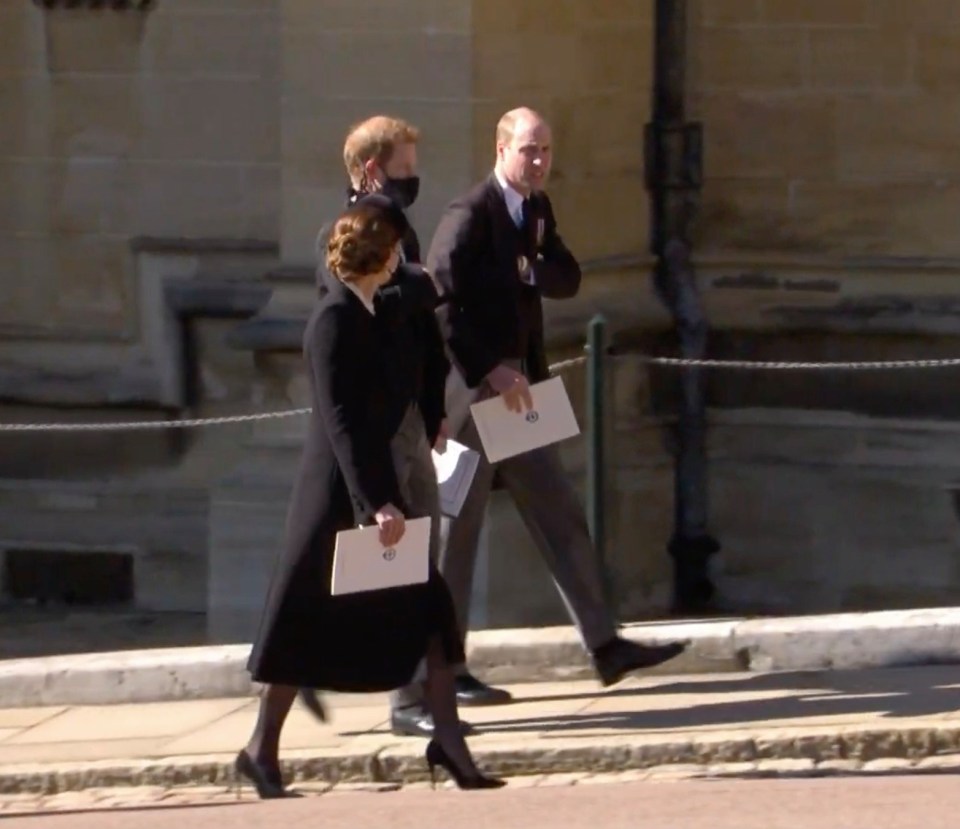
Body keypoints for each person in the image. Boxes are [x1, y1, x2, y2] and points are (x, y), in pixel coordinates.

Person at [238, 203, 505, 797]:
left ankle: (450, 745)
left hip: (373, 490)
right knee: (299, 628)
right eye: (396, 251)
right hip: (339, 499)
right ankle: (262, 750)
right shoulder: (332, 321)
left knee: (432, 613)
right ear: (380, 257)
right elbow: (342, 426)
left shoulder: (375, 309)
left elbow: (420, 311)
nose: (403, 259)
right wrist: (378, 504)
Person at [425, 107, 689, 692]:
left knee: (558, 511)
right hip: (474, 389)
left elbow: (567, 276)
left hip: (521, 388)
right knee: (456, 532)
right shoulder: (469, 213)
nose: (539, 161)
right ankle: (444, 668)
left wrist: (529, 267)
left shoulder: (536, 211)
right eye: (528, 150)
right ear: (500, 151)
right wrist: (487, 369)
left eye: (546, 150)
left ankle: (604, 643)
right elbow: (438, 301)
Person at [301, 115, 507, 740]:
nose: (413, 179)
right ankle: (404, 695)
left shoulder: (400, 229)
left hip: (413, 417)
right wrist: (413, 288)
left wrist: (435, 402)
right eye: (404, 168)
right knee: (396, 559)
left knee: (420, 555)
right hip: (378, 424)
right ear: (371, 170)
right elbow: (359, 315)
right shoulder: (350, 235)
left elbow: (421, 327)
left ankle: (427, 675)